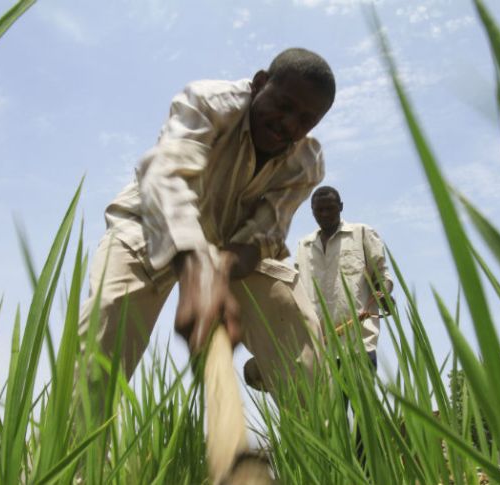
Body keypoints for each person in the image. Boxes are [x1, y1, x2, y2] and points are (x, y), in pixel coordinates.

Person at [77, 48, 336, 415]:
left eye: (306, 120)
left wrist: (218, 274)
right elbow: (166, 179)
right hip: (152, 219)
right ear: (261, 83)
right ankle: (70, 465)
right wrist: (197, 270)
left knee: (292, 316)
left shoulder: (306, 162)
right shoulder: (208, 102)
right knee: (108, 322)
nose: (290, 125)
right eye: (284, 105)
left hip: (230, 243)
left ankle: (320, 458)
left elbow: (263, 235)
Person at [297, 185, 394, 462]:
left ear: (341, 206)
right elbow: (297, 292)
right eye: (319, 209)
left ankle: (366, 474)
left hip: (358, 343)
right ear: (312, 212)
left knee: (364, 417)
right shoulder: (304, 247)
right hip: (321, 347)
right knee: (330, 418)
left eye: (330, 207)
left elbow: (381, 276)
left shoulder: (361, 234)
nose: (325, 213)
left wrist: (382, 293)